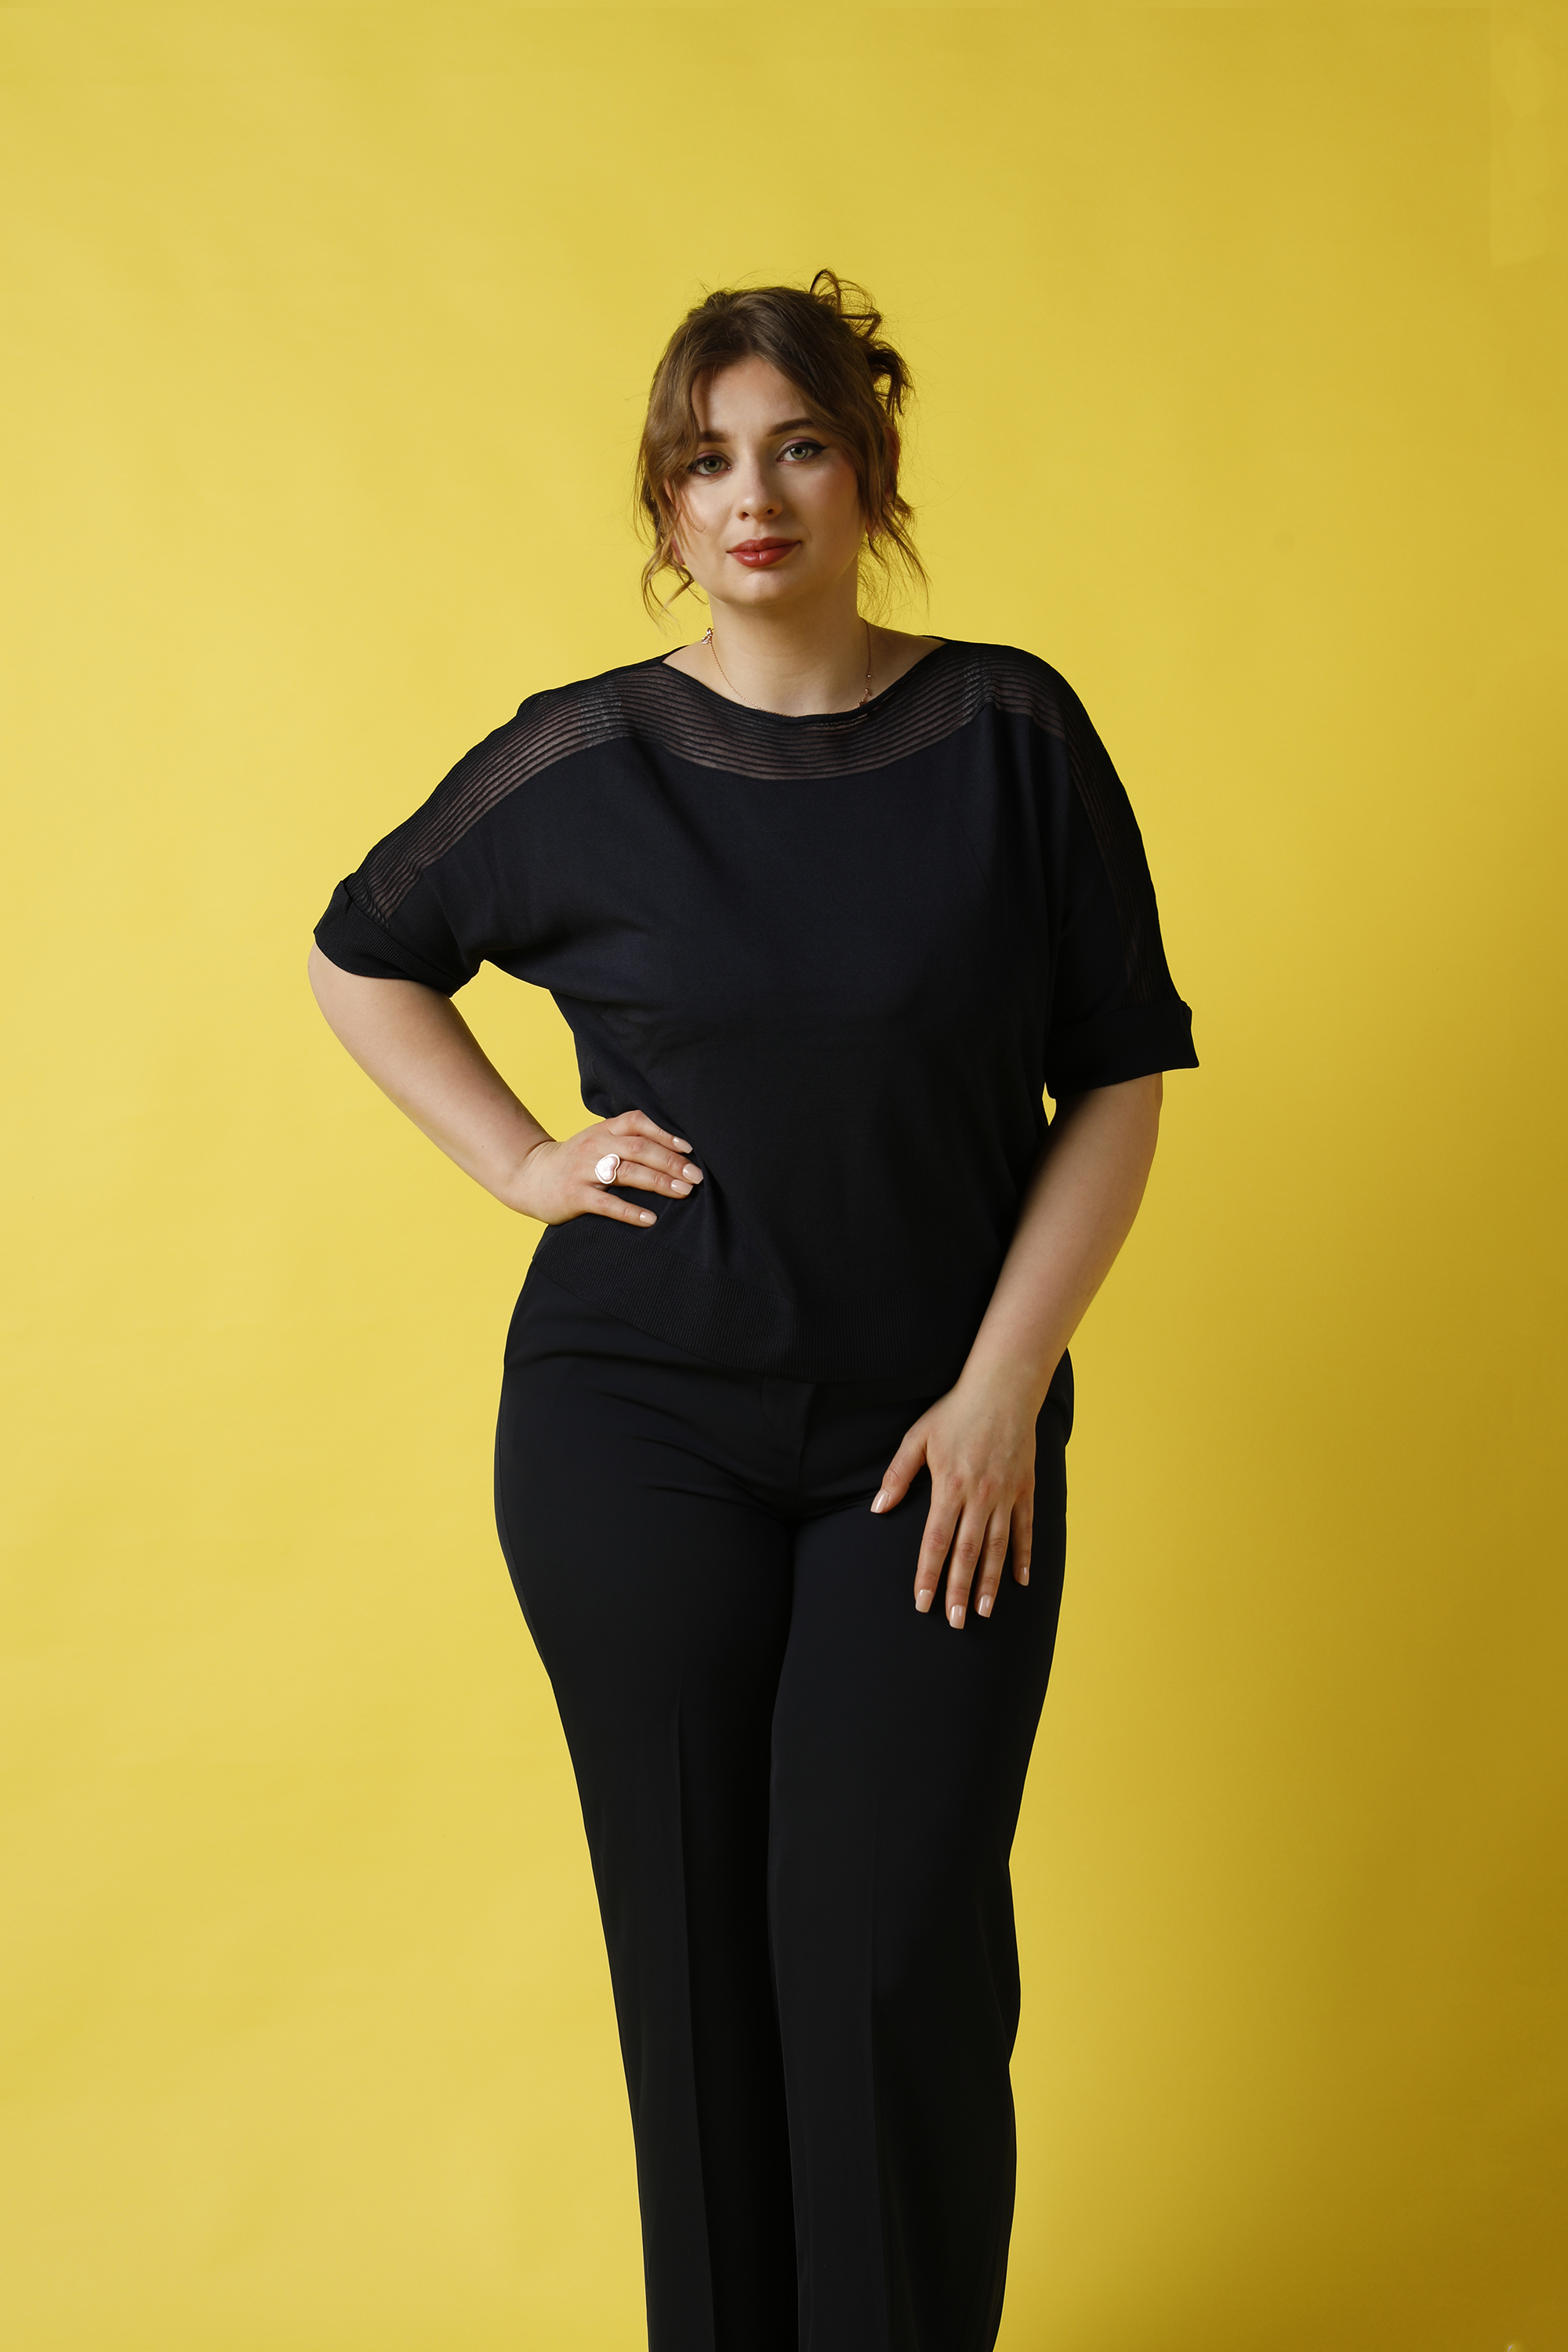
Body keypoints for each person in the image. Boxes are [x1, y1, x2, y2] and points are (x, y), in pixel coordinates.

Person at [308, 271, 1197, 2352]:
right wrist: (524, 1163)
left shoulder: (1011, 737)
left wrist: (1005, 1386)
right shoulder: (583, 760)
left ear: (867, 473)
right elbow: (363, 953)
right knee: (696, 1964)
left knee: (890, 1956)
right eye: (706, 460)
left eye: (797, 446)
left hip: (936, 1435)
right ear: (666, 503)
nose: (753, 495)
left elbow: (1120, 1074)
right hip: (636, 1431)